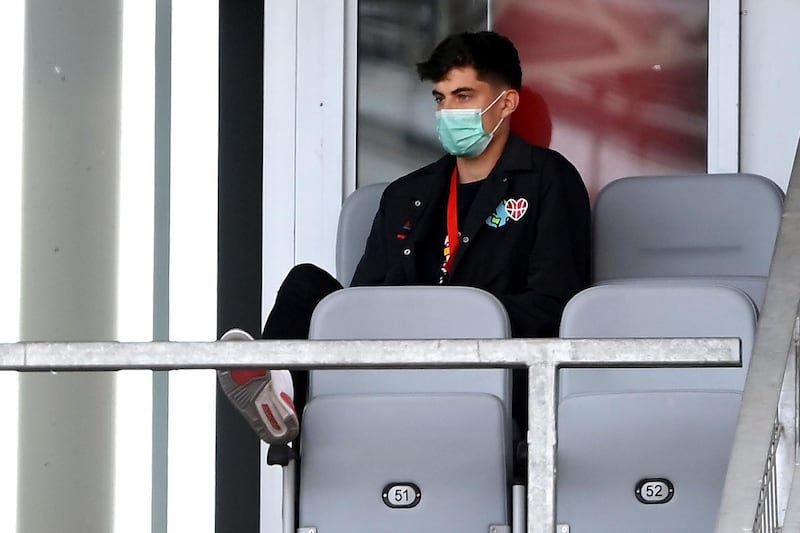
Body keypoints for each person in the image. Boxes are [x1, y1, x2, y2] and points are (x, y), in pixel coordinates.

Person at [219, 30, 590, 445]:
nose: (447, 111)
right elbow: (359, 301)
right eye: (440, 98)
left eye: (463, 96)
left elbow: (557, 304)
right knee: (307, 282)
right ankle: (281, 394)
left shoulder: (549, 179)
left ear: (506, 103)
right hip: (396, 359)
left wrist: (460, 317)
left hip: (491, 371)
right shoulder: (407, 192)